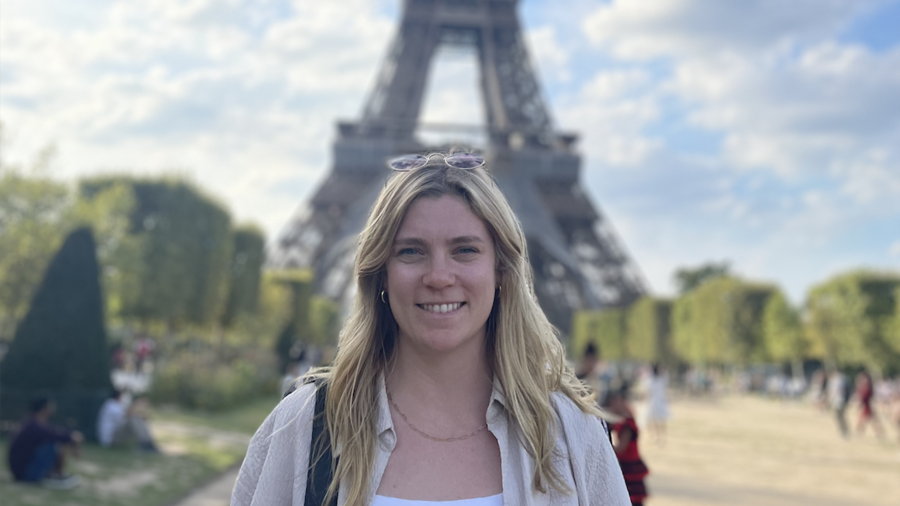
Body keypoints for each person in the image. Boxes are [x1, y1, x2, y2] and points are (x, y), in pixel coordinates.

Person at [232, 153, 630, 505]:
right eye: (411, 251)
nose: (439, 276)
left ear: (501, 273)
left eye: (465, 249)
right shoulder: (304, 427)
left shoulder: (571, 432)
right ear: (381, 275)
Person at [7, 397, 83, 489]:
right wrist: (74, 440)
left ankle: (56, 474)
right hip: (26, 474)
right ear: (45, 408)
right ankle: (57, 476)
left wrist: (72, 440)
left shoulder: (31, 422)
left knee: (54, 441)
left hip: (19, 472)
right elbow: (58, 436)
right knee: (54, 444)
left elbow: (56, 432)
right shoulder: (35, 425)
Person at [603, 389, 650, 506]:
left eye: (615, 402)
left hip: (629, 465)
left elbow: (621, 448)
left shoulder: (627, 424)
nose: (613, 406)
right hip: (627, 463)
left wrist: (604, 449)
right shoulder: (625, 417)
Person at [854, 370, 885, 439]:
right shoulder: (863, 387)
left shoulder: (868, 388)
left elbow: (864, 398)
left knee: (870, 421)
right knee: (863, 421)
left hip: (867, 407)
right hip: (865, 407)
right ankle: (859, 433)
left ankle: (880, 433)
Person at [645, 363, 670, 447]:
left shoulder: (651, 381)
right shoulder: (660, 380)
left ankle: (657, 436)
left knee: (655, 420)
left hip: (654, 402)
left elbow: (648, 393)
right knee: (660, 420)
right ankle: (661, 436)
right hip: (660, 402)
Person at [827, 369, 851, 438]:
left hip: (839, 401)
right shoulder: (843, 380)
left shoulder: (837, 381)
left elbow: (835, 391)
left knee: (840, 416)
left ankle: (844, 431)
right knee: (840, 416)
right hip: (839, 400)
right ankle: (843, 430)